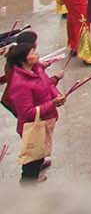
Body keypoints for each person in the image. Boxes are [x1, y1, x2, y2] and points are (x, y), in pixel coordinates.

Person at [2, 35, 66, 182]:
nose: (37, 54)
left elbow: (47, 85)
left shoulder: (36, 69)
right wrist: (52, 103)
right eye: (33, 53)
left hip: (45, 120)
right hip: (34, 126)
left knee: (40, 154)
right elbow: (27, 113)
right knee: (32, 160)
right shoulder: (20, 84)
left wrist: (56, 93)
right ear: (23, 60)